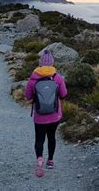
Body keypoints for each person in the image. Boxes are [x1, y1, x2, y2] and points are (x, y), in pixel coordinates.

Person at [25, 50, 67, 178]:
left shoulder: (33, 78)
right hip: (54, 115)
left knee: (39, 139)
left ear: (40, 63)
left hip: (39, 116)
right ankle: (50, 161)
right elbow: (64, 94)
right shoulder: (57, 77)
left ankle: (39, 159)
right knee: (52, 137)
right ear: (52, 63)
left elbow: (27, 96)